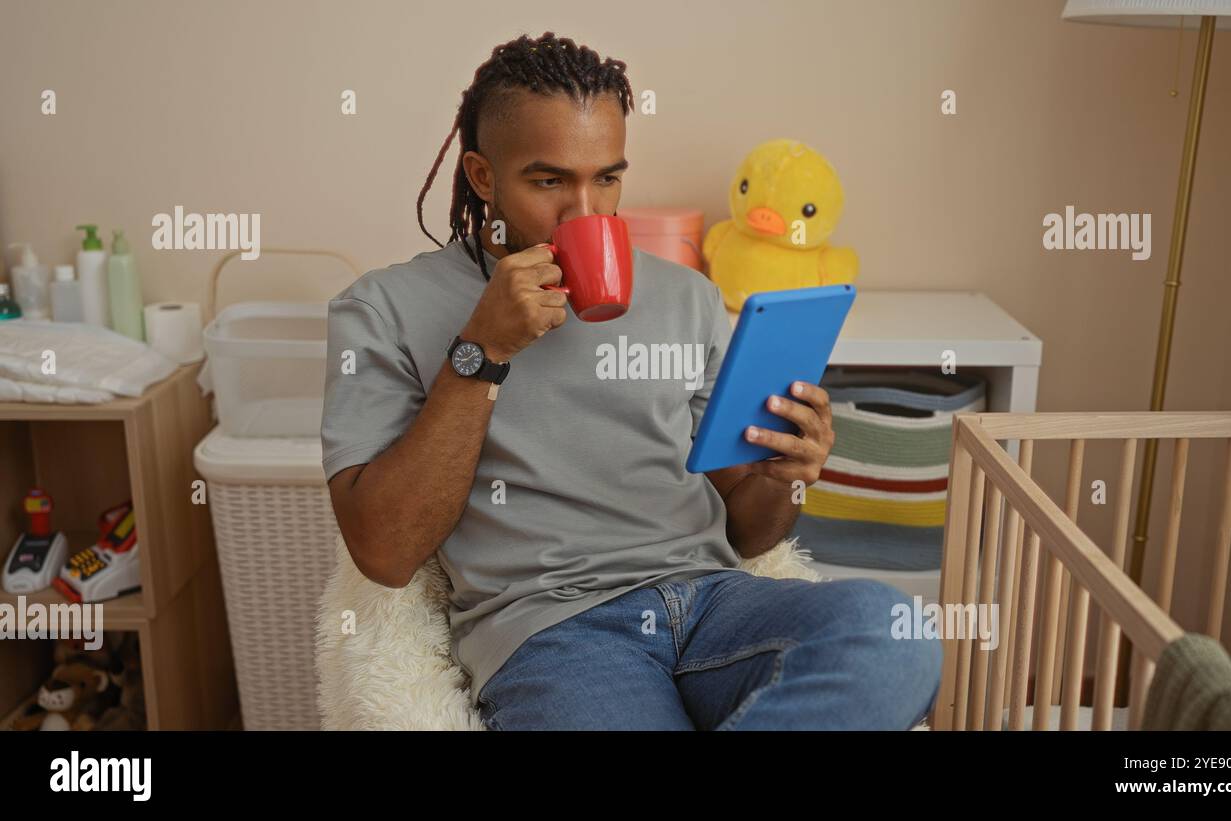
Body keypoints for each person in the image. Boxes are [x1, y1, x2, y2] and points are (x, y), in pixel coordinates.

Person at [322, 31, 941, 730]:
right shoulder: (382, 308)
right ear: (484, 175)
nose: (586, 213)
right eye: (549, 180)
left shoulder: (688, 297)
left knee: (893, 631)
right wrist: (482, 349)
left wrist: (784, 475)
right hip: (554, 634)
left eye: (607, 177)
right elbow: (384, 550)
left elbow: (748, 531)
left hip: (715, 606)